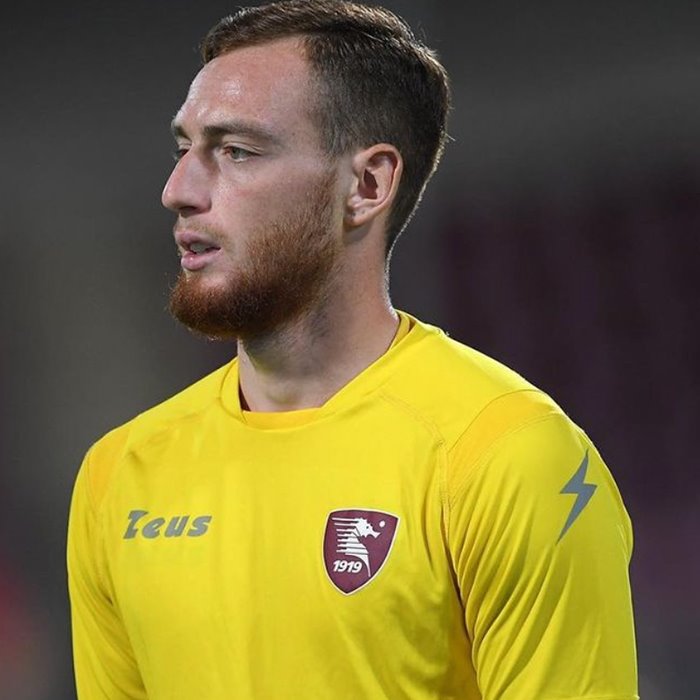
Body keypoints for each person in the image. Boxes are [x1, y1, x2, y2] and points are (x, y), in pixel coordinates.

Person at [66, 1, 639, 698]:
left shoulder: (507, 455)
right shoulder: (119, 475)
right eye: (184, 149)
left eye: (236, 150)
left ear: (367, 185)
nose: (177, 191)